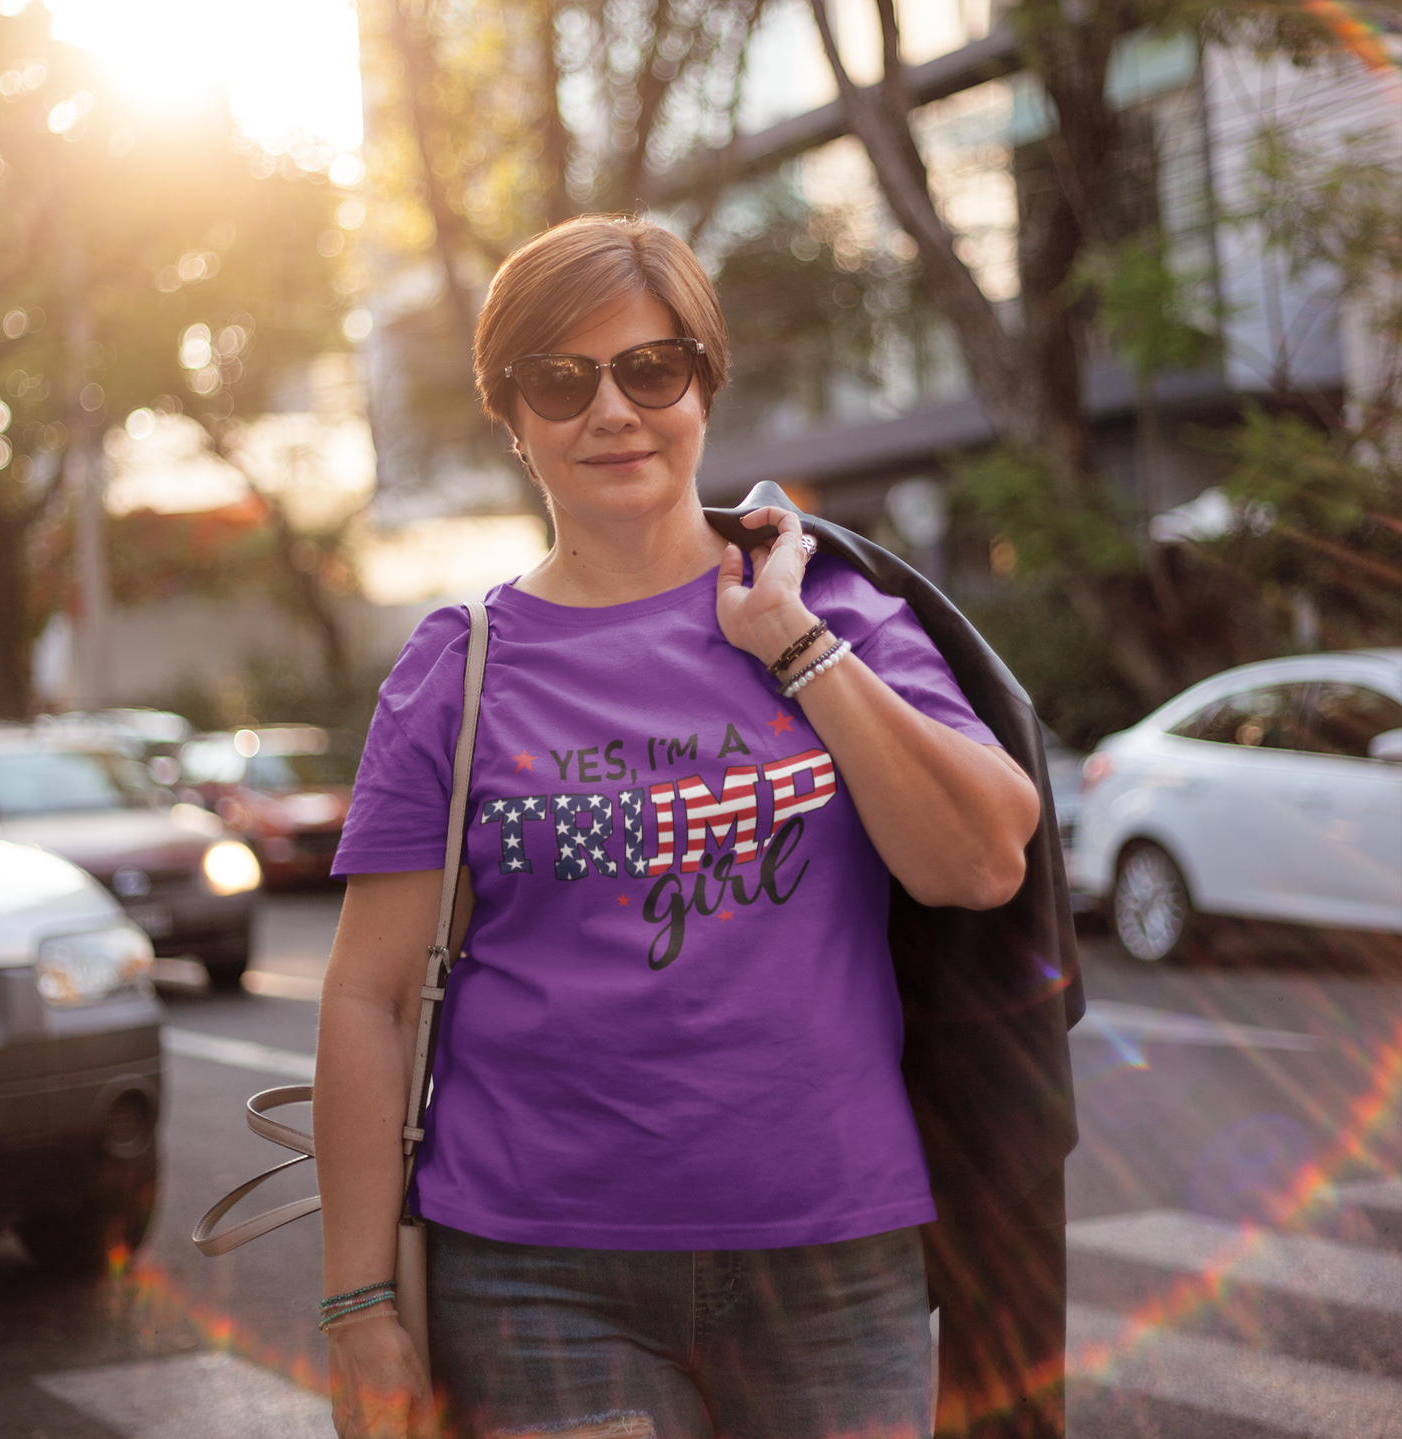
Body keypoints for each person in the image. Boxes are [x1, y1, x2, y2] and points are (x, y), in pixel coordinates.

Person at [312, 213, 1041, 1439]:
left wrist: (795, 647)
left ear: (704, 380)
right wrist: (358, 1301)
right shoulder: (460, 669)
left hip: (836, 1252)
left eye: (651, 368)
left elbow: (977, 860)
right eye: (561, 379)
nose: (614, 411)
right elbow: (367, 998)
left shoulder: (836, 608)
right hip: (539, 1272)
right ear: (511, 414)